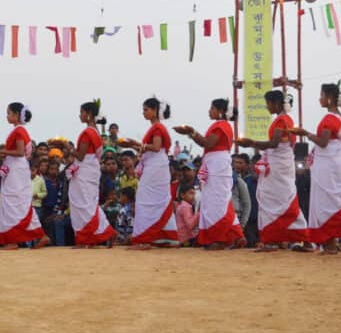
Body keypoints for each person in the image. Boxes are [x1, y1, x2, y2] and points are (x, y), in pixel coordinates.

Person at [290, 83, 341, 254]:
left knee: (331, 203)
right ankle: (330, 244)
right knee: (328, 202)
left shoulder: (330, 118)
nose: (319, 99)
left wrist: (305, 133)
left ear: (329, 98)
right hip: (333, 161)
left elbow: (323, 142)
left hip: (329, 165)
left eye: (321, 95)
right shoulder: (338, 117)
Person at [235, 90, 309, 251]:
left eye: (267, 103)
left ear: (275, 103)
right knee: (281, 200)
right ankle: (285, 239)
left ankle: (284, 239)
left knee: (274, 200)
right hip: (280, 163)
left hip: (278, 165)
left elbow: (274, 143)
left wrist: (251, 143)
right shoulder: (284, 119)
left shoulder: (282, 119)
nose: (266, 107)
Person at [174, 97, 245, 250]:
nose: (209, 111)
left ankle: (219, 239)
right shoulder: (222, 125)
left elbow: (208, 143)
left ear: (220, 112)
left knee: (216, 203)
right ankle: (236, 235)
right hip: (217, 164)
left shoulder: (221, 125)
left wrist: (191, 132)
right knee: (221, 201)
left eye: (212, 108)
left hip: (217, 166)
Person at [120, 97, 179, 249]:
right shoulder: (156, 127)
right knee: (159, 200)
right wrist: (135, 145)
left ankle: (144, 239)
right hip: (156, 166)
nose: (143, 113)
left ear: (154, 111)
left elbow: (156, 147)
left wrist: (134, 143)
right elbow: (150, 148)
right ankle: (166, 237)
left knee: (144, 200)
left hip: (155, 167)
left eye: (146, 110)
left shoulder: (158, 127)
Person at [0, 102, 47, 249]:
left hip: (16, 168)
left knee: (14, 202)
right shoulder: (19, 131)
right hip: (15, 167)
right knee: (15, 203)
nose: (7, 116)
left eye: (9, 113)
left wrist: (1, 152)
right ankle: (39, 236)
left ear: (17, 115)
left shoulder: (19, 131)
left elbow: (20, 152)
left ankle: (14, 240)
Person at [67, 100, 116, 247]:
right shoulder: (95, 131)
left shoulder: (88, 132)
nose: (80, 115)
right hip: (91, 170)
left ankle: (97, 235)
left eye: (82, 112)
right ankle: (91, 237)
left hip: (84, 171)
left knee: (83, 204)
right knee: (88, 204)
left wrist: (67, 148)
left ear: (88, 114)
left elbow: (80, 156)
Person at [230, 153, 252, 229]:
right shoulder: (231, 178)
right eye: (236, 162)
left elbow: (247, 205)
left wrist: (242, 226)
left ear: (247, 164)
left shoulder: (241, 182)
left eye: (240, 163)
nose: (237, 165)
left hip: (243, 220)